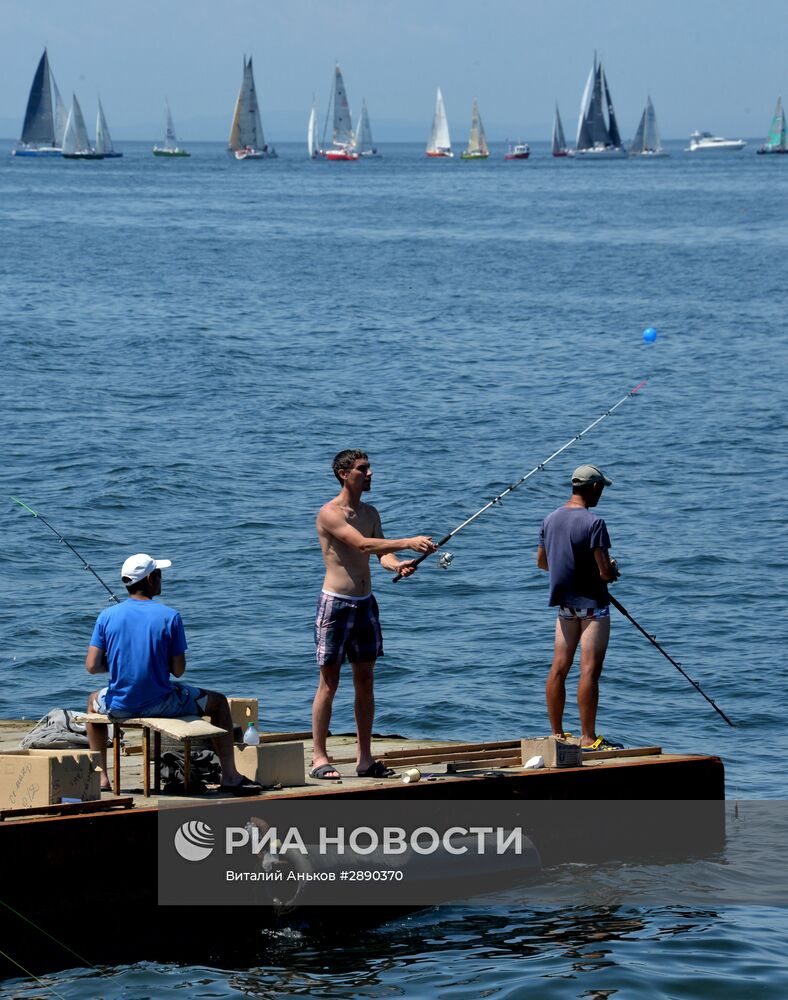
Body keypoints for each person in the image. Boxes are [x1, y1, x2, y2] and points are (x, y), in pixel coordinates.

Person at [85, 552, 263, 796]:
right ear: (149, 579)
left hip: (120, 705)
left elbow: (92, 666)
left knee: (92, 702)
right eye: (158, 574)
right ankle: (231, 775)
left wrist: (120, 663)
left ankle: (102, 777)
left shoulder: (106, 616)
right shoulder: (170, 617)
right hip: (162, 704)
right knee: (219, 702)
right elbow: (178, 671)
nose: (161, 579)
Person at [311, 450, 437, 780]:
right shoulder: (329, 513)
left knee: (366, 682)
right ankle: (319, 757)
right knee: (329, 683)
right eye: (362, 469)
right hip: (336, 605)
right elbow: (363, 545)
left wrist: (398, 564)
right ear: (343, 474)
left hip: (365, 603)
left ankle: (364, 759)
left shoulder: (370, 512)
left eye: (369, 468)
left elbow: (380, 554)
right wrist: (410, 541)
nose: (370, 474)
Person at [536, 464, 624, 752]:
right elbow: (604, 573)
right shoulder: (594, 522)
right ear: (595, 488)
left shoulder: (550, 519)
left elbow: (543, 563)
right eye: (602, 489)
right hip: (593, 607)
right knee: (589, 671)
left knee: (559, 668)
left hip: (564, 607)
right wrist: (612, 570)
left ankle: (557, 733)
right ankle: (588, 738)